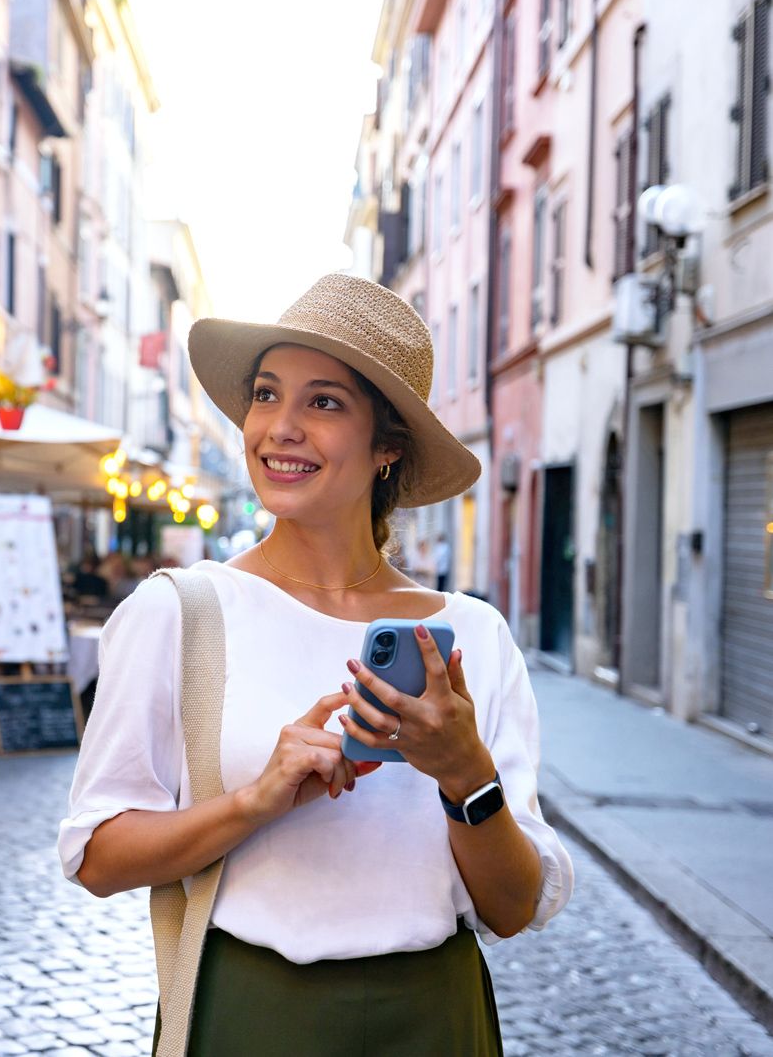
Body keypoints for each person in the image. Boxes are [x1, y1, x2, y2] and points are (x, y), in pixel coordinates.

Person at [60, 274, 572, 1054]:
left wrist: (465, 773)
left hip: (437, 1015)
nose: (279, 428)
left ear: (388, 445)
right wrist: (255, 800)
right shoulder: (181, 612)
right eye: (267, 395)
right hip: (251, 1012)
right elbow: (96, 856)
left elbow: (510, 907)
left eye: (323, 402)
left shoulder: (477, 635)